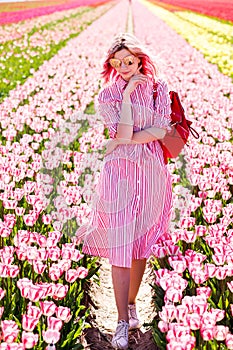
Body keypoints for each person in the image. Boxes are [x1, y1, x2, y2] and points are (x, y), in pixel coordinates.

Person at [75, 32, 172, 349]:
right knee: (120, 245)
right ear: (111, 64)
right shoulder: (107, 96)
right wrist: (128, 96)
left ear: (139, 58)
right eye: (117, 62)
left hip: (152, 173)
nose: (124, 66)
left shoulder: (159, 88)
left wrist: (128, 138)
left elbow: (161, 130)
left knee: (141, 245)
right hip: (119, 174)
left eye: (129, 60)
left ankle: (131, 304)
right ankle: (119, 322)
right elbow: (125, 131)